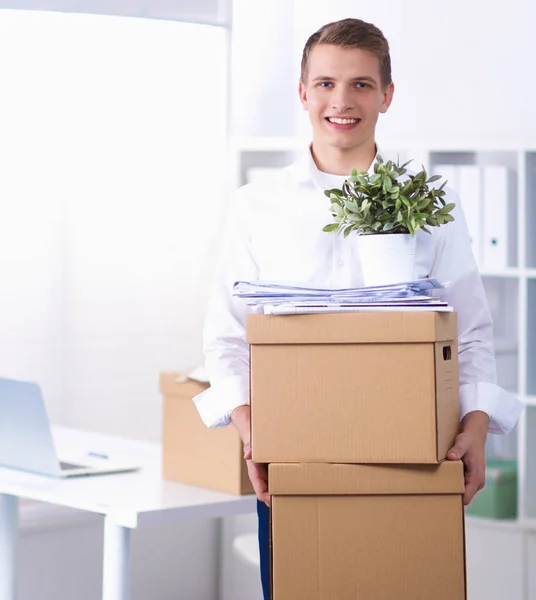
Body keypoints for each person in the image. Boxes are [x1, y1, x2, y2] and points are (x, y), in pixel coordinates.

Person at [193, 17, 524, 600]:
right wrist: (253, 435)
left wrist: (476, 429)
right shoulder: (258, 206)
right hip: (295, 457)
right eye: (324, 84)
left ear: (387, 95)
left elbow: (468, 326)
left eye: (362, 85)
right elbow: (226, 333)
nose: (341, 101)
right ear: (302, 93)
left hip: (417, 455)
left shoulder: (432, 201)